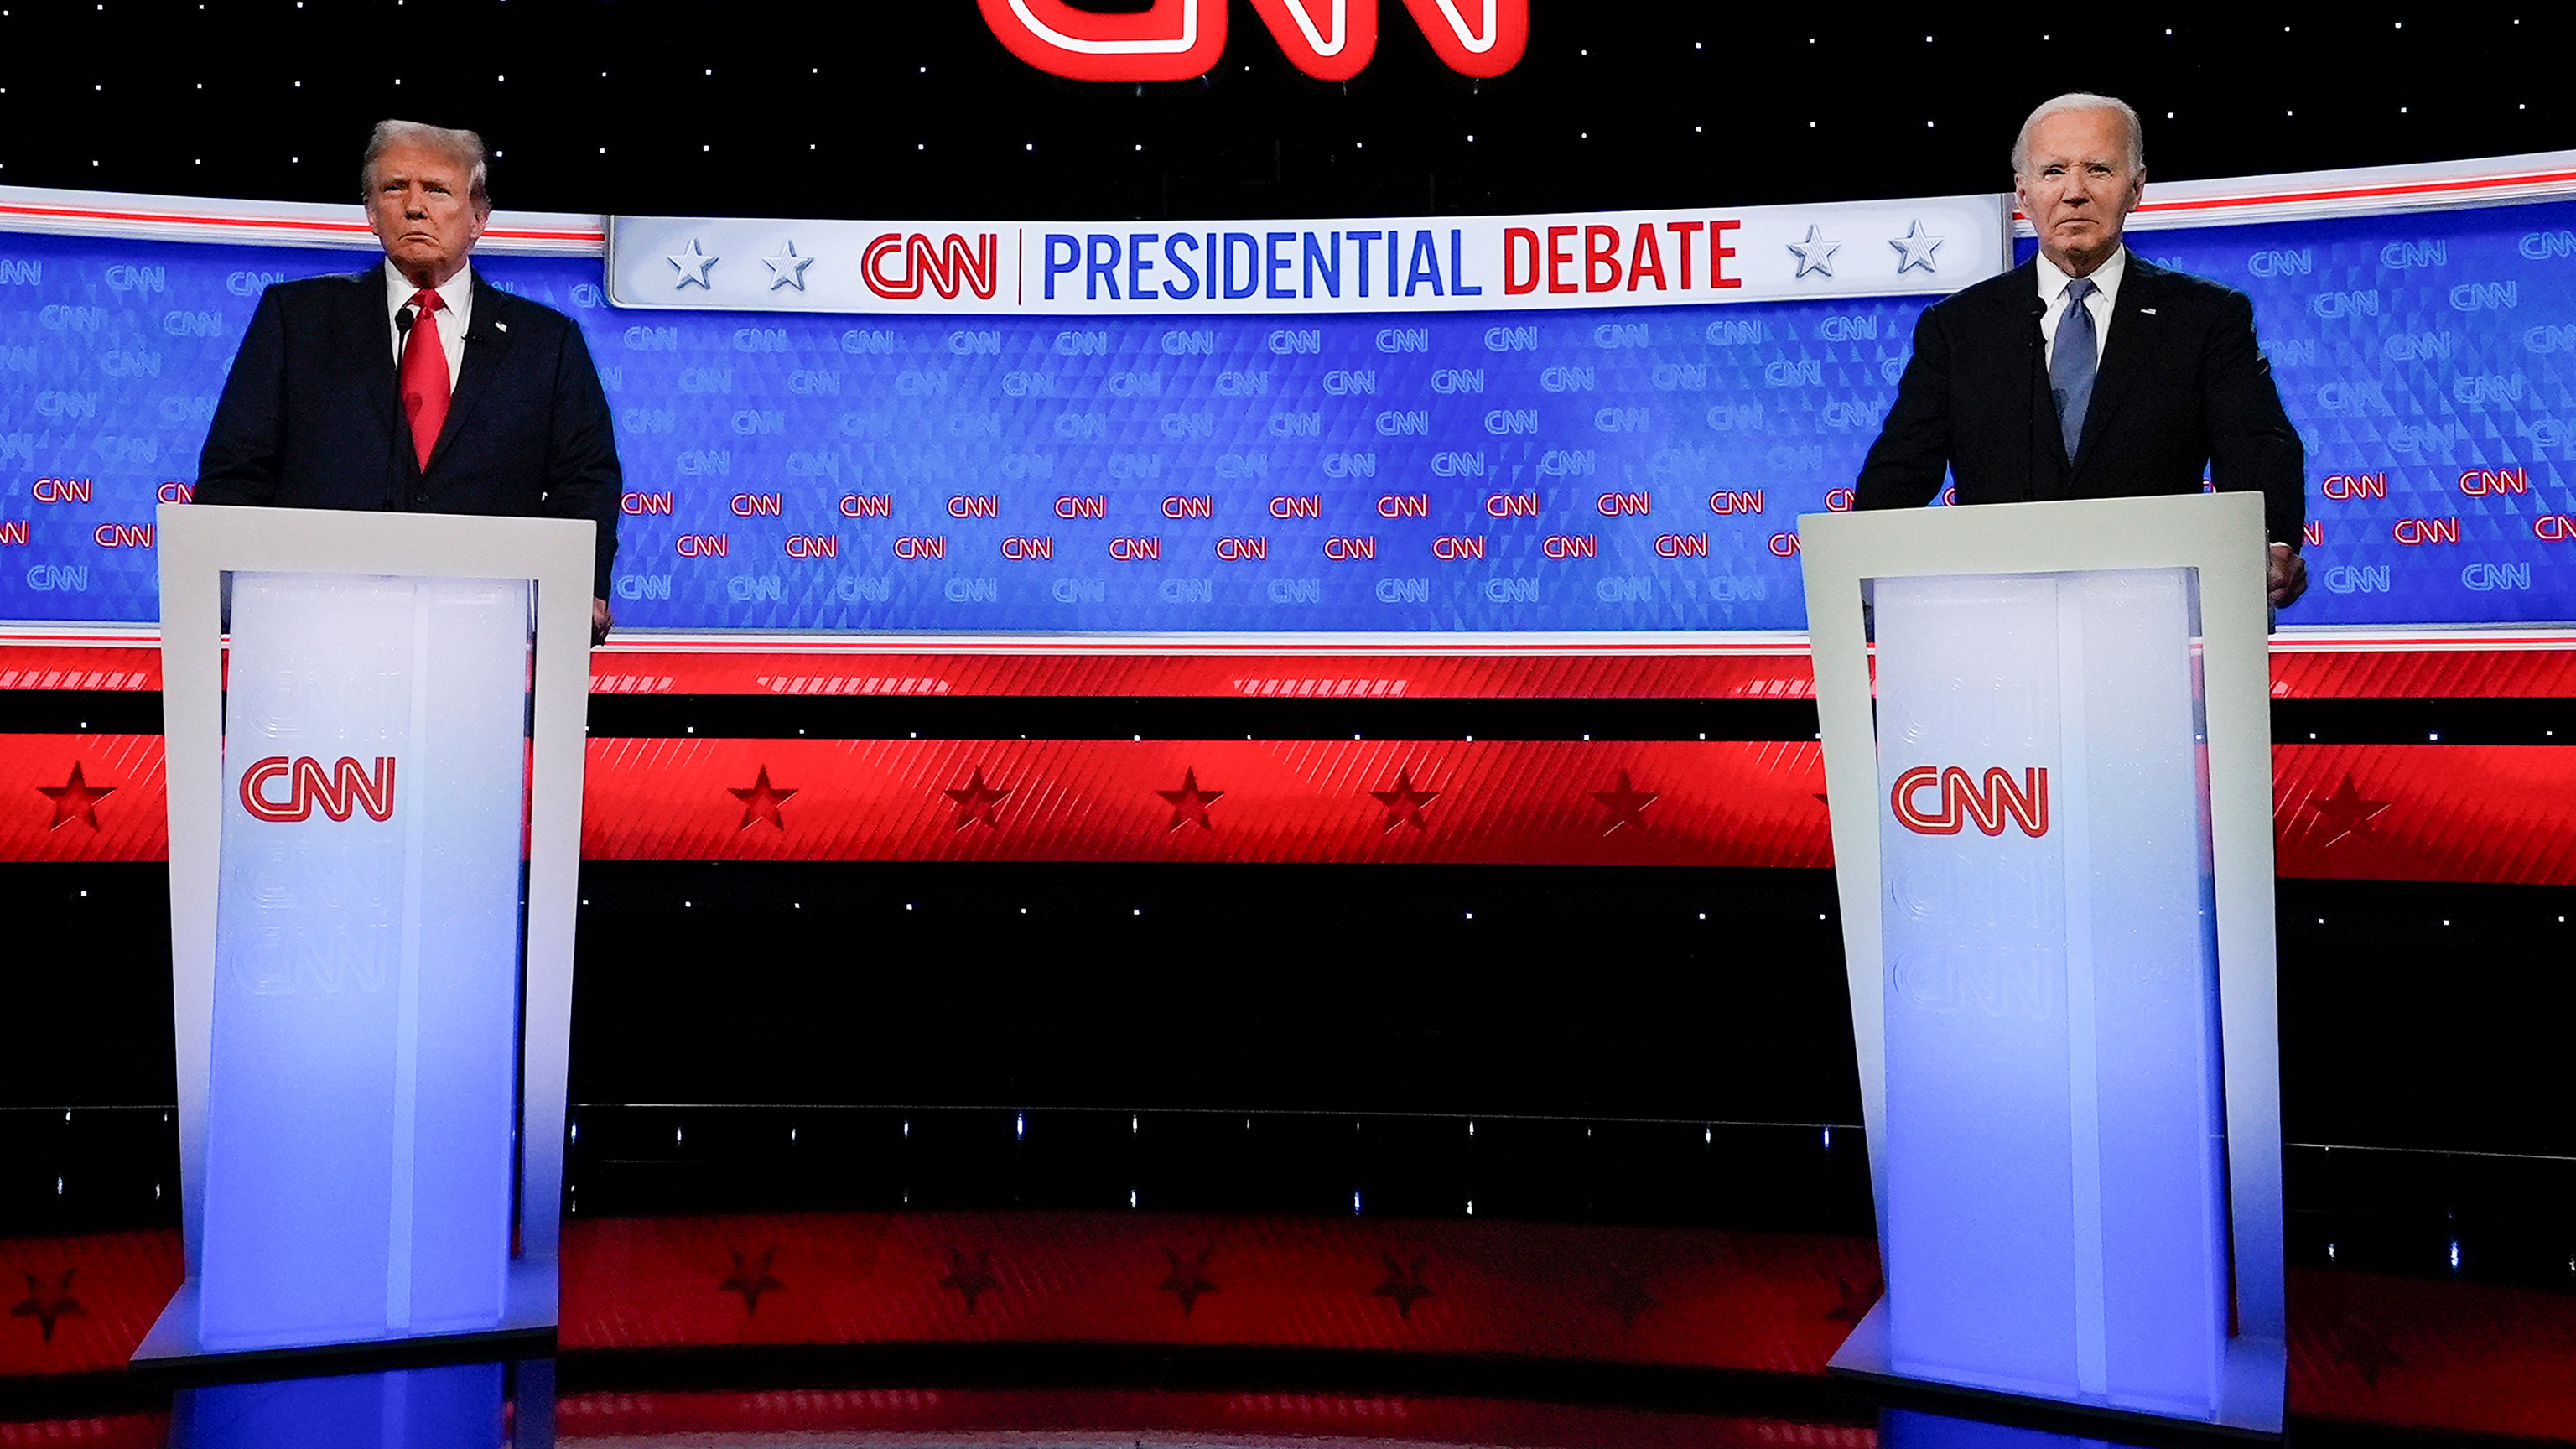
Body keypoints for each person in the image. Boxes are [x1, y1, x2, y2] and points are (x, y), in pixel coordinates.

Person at [1854, 93, 2308, 608]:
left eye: (2098, 169)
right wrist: (1862, 565)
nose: (2074, 192)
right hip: (1995, 619)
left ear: (2136, 188)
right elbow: (1898, 475)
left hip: (2154, 613)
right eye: (2052, 172)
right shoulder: (1958, 328)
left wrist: (2271, 545)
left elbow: (2257, 450)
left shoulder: (2206, 317)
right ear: (2022, 193)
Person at [196, 120, 622, 641]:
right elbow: (236, 470)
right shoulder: (297, 319)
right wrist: (227, 587)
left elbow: (585, 481)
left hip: (480, 636)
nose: (414, 207)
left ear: (479, 217)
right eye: (394, 188)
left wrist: (583, 586)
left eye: (438, 190)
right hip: (310, 630)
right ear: (372, 213)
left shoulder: (546, 342)